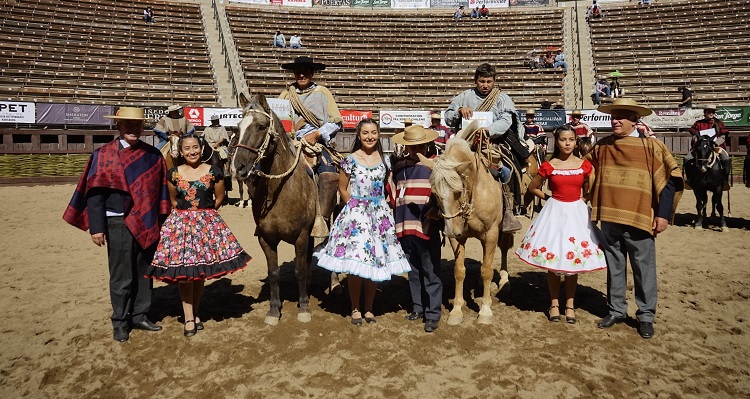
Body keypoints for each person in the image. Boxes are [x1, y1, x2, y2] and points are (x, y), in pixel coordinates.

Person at [62, 107, 170, 342]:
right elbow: (94, 195)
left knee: (144, 271)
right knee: (121, 274)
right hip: (117, 221)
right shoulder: (104, 155)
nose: (133, 129)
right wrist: (97, 227)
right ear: (119, 126)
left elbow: (161, 191)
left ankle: (140, 314)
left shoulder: (153, 156)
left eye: (137, 125)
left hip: (148, 222)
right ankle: (120, 320)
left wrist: (160, 221)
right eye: (128, 124)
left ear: (143, 127)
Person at [588, 98, 683, 339]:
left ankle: (646, 316)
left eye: (620, 116)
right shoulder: (602, 146)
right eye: (613, 116)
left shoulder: (651, 147)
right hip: (609, 217)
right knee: (615, 267)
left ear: (634, 120)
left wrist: (662, 216)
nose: (615, 120)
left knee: (644, 269)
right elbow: (584, 170)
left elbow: (669, 180)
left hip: (641, 217)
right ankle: (617, 310)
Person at [146, 134, 251, 337]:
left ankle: (195, 312)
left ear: (202, 149)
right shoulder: (174, 173)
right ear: (181, 151)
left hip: (206, 226)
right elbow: (174, 200)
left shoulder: (214, 172)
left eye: (195, 147)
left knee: (199, 272)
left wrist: (205, 215)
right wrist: (187, 217)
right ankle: (188, 318)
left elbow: (219, 197)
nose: (192, 151)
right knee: (185, 274)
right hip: (181, 227)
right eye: (187, 148)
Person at [314, 119, 410, 325]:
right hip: (356, 217)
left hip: (379, 214)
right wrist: (354, 209)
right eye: (365, 133)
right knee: (356, 265)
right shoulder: (349, 160)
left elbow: (388, 186)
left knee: (374, 263)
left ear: (378, 134)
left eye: (373, 133)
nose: (370, 137)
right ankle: (355, 307)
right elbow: (343, 189)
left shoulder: (385, 160)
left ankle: (369, 308)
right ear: (358, 135)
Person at [516, 126, 607, 324]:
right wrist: (549, 199)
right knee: (554, 261)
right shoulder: (550, 165)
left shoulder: (584, 165)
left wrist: (584, 199)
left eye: (571, 139)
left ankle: (570, 305)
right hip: (555, 213)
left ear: (576, 141)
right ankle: (555, 304)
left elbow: (592, 188)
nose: (567, 143)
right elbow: (533, 187)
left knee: (572, 263)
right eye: (563, 139)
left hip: (576, 213)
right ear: (556, 142)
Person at [444, 62, 526, 230]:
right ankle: (441, 209)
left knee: (507, 169)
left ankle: (509, 208)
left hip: (492, 142)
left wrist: (488, 131)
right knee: (444, 170)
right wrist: (459, 110)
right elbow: (447, 117)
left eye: (489, 81)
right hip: (465, 144)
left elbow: (505, 120)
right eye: (482, 81)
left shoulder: (502, 98)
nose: (485, 85)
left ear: (494, 81)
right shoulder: (464, 96)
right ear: (476, 81)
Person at [278, 56, 343, 231]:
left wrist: (317, 134)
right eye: (298, 71)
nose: (301, 75)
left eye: (305, 71)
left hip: (317, 142)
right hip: (291, 142)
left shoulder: (322, 92)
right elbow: (279, 123)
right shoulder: (285, 95)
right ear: (293, 74)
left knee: (328, 171)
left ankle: (322, 217)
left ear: (312, 73)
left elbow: (336, 122)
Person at [391, 125, 443, 333]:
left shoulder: (436, 164)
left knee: (431, 270)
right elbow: (393, 192)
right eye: (411, 146)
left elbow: (445, 192)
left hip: (426, 225)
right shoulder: (399, 167)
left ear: (426, 143)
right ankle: (418, 307)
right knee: (412, 271)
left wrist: (437, 211)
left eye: (418, 145)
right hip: (404, 224)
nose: (415, 149)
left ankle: (433, 313)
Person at [685, 104, 731, 180]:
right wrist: (700, 142)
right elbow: (694, 135)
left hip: (716, 146)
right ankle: (689, 179)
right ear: (705, 112)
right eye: (709, 111)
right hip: (700, 147)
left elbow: (723, 136)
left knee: (726, 159)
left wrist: (716, 143)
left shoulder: (719, 123)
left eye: (713, 112)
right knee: (687, 159)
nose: (711, 113)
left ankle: (725, 180)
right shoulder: (698, 123)